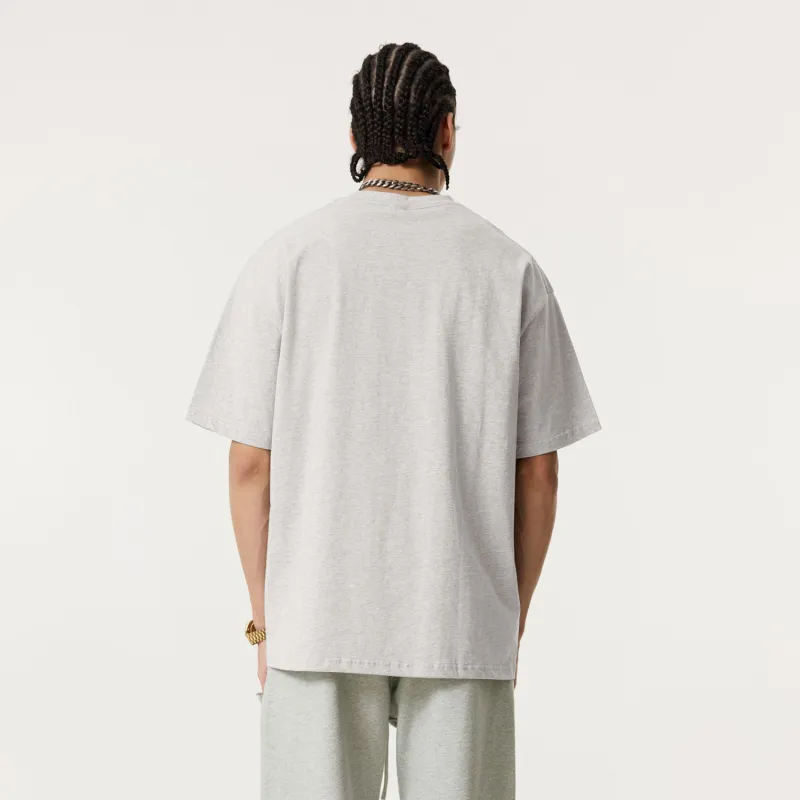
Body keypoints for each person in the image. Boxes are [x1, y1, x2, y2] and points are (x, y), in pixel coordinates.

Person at [186, 41, 601, 800]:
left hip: (314, 618)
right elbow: (539, 472)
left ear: (354, 135)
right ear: (446, 131)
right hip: (458, 616)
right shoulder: (509, 268)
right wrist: (506, 620)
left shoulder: (288, 259)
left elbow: (249, 463)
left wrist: (264, 620)